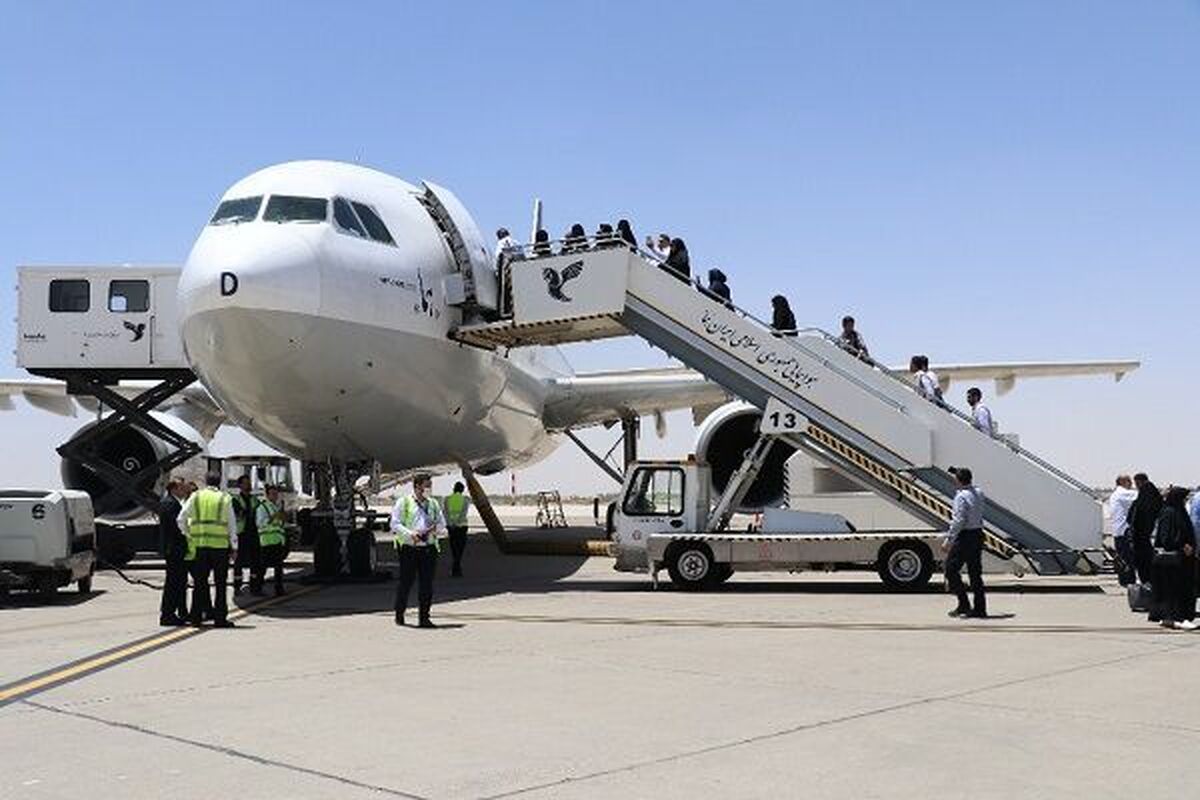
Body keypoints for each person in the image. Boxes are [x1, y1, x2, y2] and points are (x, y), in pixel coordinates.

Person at [178, 472, 238, 627]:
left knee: (199, 584)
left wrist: (188, 535)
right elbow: (232, 525)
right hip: (219, 548)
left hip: (200, 547)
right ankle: (220, 619)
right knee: (220, 584)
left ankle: (196, 618)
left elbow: (181, 519)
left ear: (205, 481)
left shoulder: (196, 496)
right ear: (220, 481)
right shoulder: (224, 498)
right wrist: (234, 546)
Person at [391, 473, 447, 628]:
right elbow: (395, 524)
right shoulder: (404, 502)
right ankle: (399, 614)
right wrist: (411, 534)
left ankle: (424, 618)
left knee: (427, 585)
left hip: (428, 549)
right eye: (426, 485)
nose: (429, 488)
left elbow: (442, 524)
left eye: (430, 485)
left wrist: (437, 529)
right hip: (409, 548)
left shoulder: (434, 504)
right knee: (406, 583)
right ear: (417, 486)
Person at [942, 467, 987, 618]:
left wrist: (949, 539)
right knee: (975, 574)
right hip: (978, 534)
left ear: (958, 480)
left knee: (950, 570)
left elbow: (959, 520)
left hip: (965, 537)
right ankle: (980, 609)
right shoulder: (979, 492)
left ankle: (964, 604)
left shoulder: (961, 497)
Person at [1149, 486, 1196, 629]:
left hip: (1182, 560)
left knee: (1178, 589)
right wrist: (1182, 545)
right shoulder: (1169, 513)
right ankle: (1178, 618)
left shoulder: (1178, 512)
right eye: (1184, 498)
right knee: (1174, 590)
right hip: (1173, 562)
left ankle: (1173, 618)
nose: (1185, 501)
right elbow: (1165, 538)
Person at [157, 479, 190, 626]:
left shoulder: (169, 502)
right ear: (174, 489)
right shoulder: (170, 504)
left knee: (176, 582)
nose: (184, 490)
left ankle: (173, 612)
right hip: (175, 549)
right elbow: (176, 528)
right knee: (174, 582)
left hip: (173, 549)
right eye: (182, 487)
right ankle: (168, 614)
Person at [1128, 473, 1164, 585]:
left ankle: (1146, 582)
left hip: (1140, 537)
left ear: (1139, 481)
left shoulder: (1143, 496)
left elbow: (1133, 518)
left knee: (1143, 562)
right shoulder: (1153, 494)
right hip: (1147, 537)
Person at [252, 485, 287, 597]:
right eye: (272, 494)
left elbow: (280, 524)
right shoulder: (262, 508)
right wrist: (274, 517)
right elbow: (260, 523)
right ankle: (257, 588)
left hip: (277, 541)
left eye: (276, 494)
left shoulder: (276, 507)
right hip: (266, 542)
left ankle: (279, 589)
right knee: (263, 567)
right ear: (267, 495)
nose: (275, 496)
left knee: (279, 567)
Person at [1106, 474, 1139, 586]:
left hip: (1117, 531)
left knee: (1122, 559)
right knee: (1129, 558)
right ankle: (1129, 582)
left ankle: (1124, 580)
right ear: (1122, 482)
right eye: (1129, 481)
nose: (1131, 483)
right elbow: (1141, 496)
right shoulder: (1123, 493)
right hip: (1124, 531)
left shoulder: (1114, 494)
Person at [231, 476, 260, 594]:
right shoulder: (235, 499)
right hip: (241, 534)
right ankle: (237, 587)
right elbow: (239, 513)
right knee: (239, 562)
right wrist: (246, 513)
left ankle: (255, 587)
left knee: (255, 561)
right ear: (240, 486)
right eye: (245, 483)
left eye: (249, 483)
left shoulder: (254, 499)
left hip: (253, 533)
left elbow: (257, 511)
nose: (248, 485)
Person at [444, 481, 471, 578]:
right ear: (462, 490)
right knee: (460, 548)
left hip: (451, 527)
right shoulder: (465, 499)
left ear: (454, 489)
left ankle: (456, 567)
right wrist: (456, 523)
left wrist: (451, 524)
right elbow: (463, 513)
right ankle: (457, 567)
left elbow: (445, 513)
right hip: (461, 526)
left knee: (454, 547)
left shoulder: (447, 499)